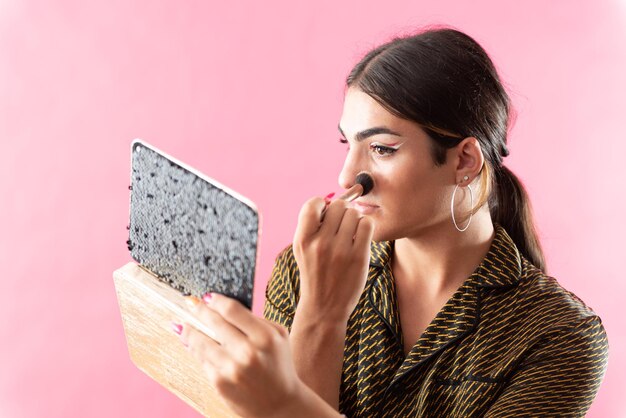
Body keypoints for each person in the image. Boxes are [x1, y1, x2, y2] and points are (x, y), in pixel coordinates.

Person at [174, 27, 608, 417]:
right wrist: (319, 316)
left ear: (464, 161)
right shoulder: (304, 270)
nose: (348, 177)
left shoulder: (559, 339)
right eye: (348, 144)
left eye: (381, 148)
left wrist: (285, 402)